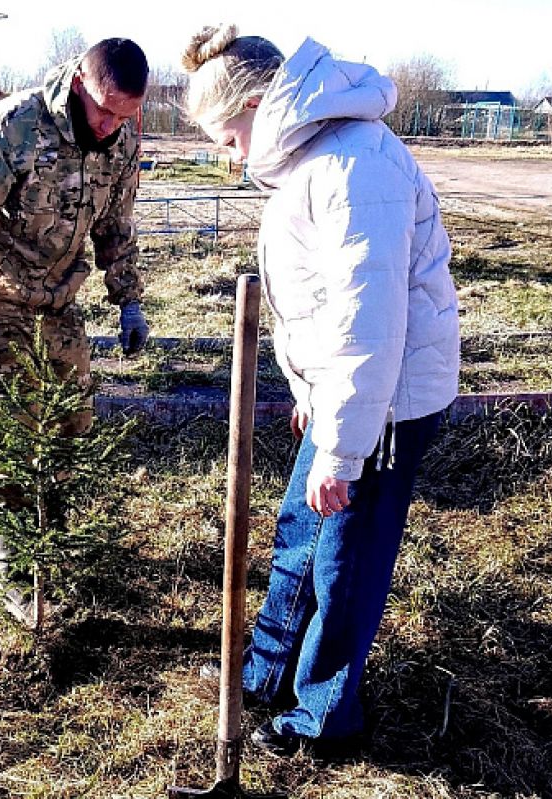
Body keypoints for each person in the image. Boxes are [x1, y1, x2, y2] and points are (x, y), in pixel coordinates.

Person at [182, 25, 460, 757]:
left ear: (255, 104)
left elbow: (369, 324)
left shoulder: (352, 167)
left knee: (347, 558)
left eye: (225, 135)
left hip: (386, 403)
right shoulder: (315, 158)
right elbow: (327, 306)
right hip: (349, 395)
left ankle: (323, 717)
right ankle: (267, 671)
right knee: (303, 532)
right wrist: (313, 389)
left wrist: (341, 448)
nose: (226, 152)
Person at [0, 38, 151, 622]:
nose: (110, 126)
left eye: (125, 115)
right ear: (80, 82)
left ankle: (50, 549)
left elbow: (116, 225)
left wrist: (128, 300)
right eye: (105, 110)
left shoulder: (122, 138)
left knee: (71, 429)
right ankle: (13, 574)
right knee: (9, 443)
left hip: (59, 305)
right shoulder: (15, 127)